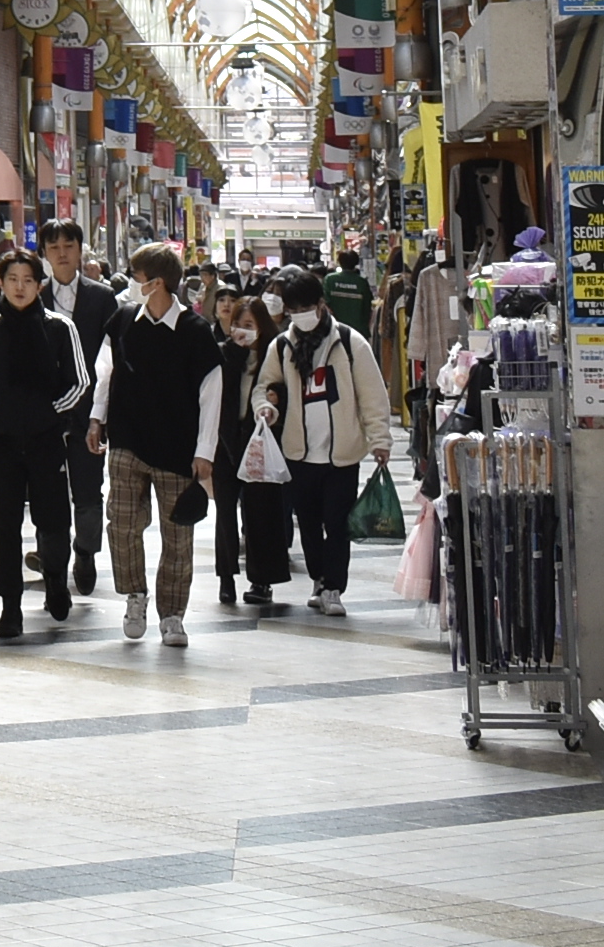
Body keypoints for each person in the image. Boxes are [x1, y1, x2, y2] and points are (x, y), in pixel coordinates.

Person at [85, 242, 222, 649]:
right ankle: (134, 596)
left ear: (157, 283)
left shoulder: (195, 332)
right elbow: (105, 372)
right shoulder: (124, 319)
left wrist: (205, 451)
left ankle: (173, 615)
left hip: (178, 448)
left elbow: (211, 392)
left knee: (177, 535)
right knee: (123, 524)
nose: (130, 284)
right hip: (126, 439)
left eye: (136, 277)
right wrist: (97, 417)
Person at [255, 264, 397, 616]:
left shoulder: (349, 342)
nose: (301, 316)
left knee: (337, 523)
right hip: (299, 454)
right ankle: (319, 579)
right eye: (294, 310)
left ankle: (334, 586)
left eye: (307, 308)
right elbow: (264, 385)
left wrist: (379, 439)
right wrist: (265, 408)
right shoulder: (283, 345)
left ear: (321, 305)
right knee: (309, 523)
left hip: (342, 454)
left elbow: (372, 396)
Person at [0, 248, 87, 641]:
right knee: (6, 525)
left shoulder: (59, 327)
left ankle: (55, 584)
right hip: (3, 442)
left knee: (53, 522)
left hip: (48, 441)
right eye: (12, 279)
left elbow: (79, 381)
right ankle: (10, 606)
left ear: (40, 284)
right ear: (0, 282)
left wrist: (51, 413)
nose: (20, 287)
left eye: (28, 280)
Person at [35, 218, 118, 602]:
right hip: (45, 414)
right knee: (46, 491)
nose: (62, 253)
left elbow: (112, 358)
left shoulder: (102, 298)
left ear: (80, 250)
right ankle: (53, 564)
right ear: (45, 254)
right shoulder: (33, 296)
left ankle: (85, 552)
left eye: (68, 245)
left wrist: (103, 415)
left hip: (89, 412)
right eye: (54, 247)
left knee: (88, 492)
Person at [206, 287, 291, 615]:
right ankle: (226, 576)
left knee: (260, 512)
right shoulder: (223, 354)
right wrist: (234, 354)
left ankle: (262, 581)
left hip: (258, 441)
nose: (244, 329)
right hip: (224, 442)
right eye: (239, 322)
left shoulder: (275, 356)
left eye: (251, 323)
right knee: (225, 514)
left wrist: (275, 400)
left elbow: (281, 391)